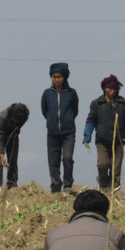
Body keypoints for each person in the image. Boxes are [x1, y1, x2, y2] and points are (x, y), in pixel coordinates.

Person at [82, 75, 125, 191]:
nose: (112, 91)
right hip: (102, 140)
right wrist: (87, 136)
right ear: (104, 89)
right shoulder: (96, 104)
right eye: (110, 89)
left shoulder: (122, 104)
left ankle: (114, 187)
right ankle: (103, 184)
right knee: (103, 164)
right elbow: (91, 121)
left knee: (116, 166)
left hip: (119, 140)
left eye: (114, 89)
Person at [41, 62, 79, 193]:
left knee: (67, 158)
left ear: (65, 77)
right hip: (52, 132)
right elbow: (44, 111)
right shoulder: (47, 94)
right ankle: (55, 186)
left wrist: (67, 120)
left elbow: (75, 110)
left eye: (59, 77)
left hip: (68, 132)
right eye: (54, 77)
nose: (56, 79)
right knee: (53, 160)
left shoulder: (71, 93)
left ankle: (68, 185)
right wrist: (51, 121)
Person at [0, 102, 29, 189]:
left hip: (12, 135)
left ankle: (12, 184)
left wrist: (14, 131)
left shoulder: (24, 116)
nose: (16, 121)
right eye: (14, 119)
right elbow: (1, 137)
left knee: (12, 159)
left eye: (18, 120)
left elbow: (19, 127)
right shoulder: (2, 117)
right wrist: (2, 154)